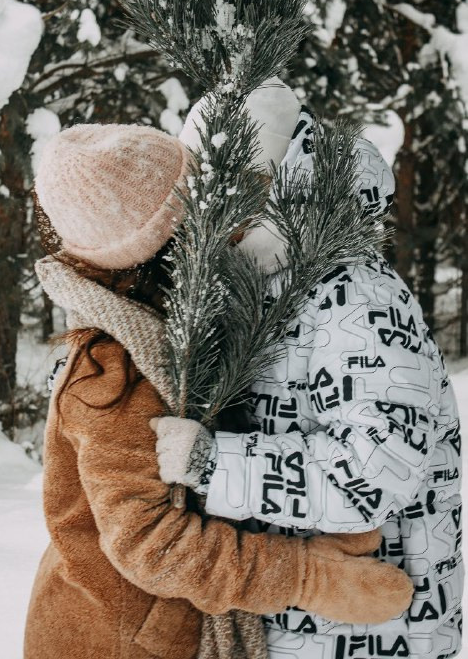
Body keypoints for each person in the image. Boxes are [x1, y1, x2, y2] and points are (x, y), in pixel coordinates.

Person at [24, 122, 413, 659]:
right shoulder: (112, 374)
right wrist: (307, 577)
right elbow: (151, 546)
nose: (230, 225)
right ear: (165, 249)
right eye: (207, 210)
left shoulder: (162, 331)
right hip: (116, 640)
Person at [153, 82, 463, 659]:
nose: (210, 205)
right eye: (200, 186)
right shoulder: (259, 280)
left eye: (235, 183)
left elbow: (375, 470)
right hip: (294, 625)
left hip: (376, 631)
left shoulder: (356, 296)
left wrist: (214, 463)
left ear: (282, 181)